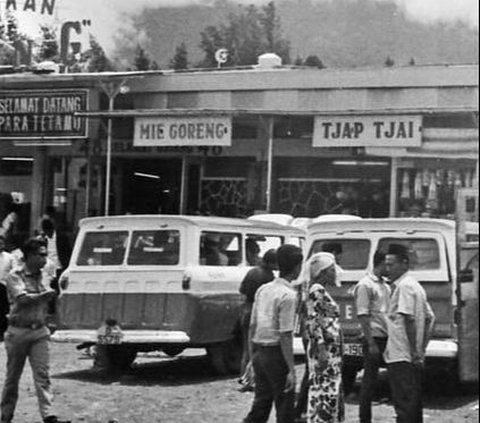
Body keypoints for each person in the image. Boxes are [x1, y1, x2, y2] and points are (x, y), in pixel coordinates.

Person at [0, 237, 70, 423]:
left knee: (43, 375)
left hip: (39, 331)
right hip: (18, 332)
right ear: (29, 256)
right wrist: (44, 295)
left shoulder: (45, 274)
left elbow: (53, 298)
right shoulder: (15, 275)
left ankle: (49, 415)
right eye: (40, 255)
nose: (44, 259)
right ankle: (6, 415)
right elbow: (22, 299)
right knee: (13, 378)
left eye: (45, 255)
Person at [243, 244, 303, 423]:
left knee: (261, 404)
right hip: (276, 354)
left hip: (260, 351)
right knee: (285, 406)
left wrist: (252, 357)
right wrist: (291, 369)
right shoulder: (288, 295)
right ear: (297, 267)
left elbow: (253, 326)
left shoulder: (264, 290)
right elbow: (285, 334)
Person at [383, 244, 435, 423]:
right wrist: (421, 349)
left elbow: (409, 319)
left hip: (401, 355)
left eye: (391, 264)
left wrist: (414, 350)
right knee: (413, 400)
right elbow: (430, 319)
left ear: (404, 263)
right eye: (386, 264)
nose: (387, 269)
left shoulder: (404, 287)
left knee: (404, 403)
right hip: (410, 355)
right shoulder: (415, 285)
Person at [302, 252, 344, 423]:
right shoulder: (316, 290)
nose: (336, 273)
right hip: (325, 350)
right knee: (324, 390)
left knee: (330, 389)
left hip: (330, 349)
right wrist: (321, 350)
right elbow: (313, 321)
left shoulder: (320, 289)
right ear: (324, 271)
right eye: (333, 269)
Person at [353, 251, 390, 423]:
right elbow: (363, 315)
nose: (389, 268)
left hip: (386, 336)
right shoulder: (365, 285)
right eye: (387, 264)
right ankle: (364, 419)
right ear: (380, 264)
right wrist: (371, 342)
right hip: (374, 337)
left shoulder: (386, 285)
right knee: (369, 381)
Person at [238, 249, 278, 392]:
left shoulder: (252, 271)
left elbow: (241, 290)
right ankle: (254, 380)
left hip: (246, 310)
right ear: (272, 262)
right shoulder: (269, 276)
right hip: (259, 312)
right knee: (257, 349)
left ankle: (244, 379)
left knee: (246, 348)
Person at [0, 233, 15, 339]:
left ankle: (2, 332)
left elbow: (15, 272)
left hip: (4, 287)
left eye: (1, 244)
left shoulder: (9, 257)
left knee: (3, 311)